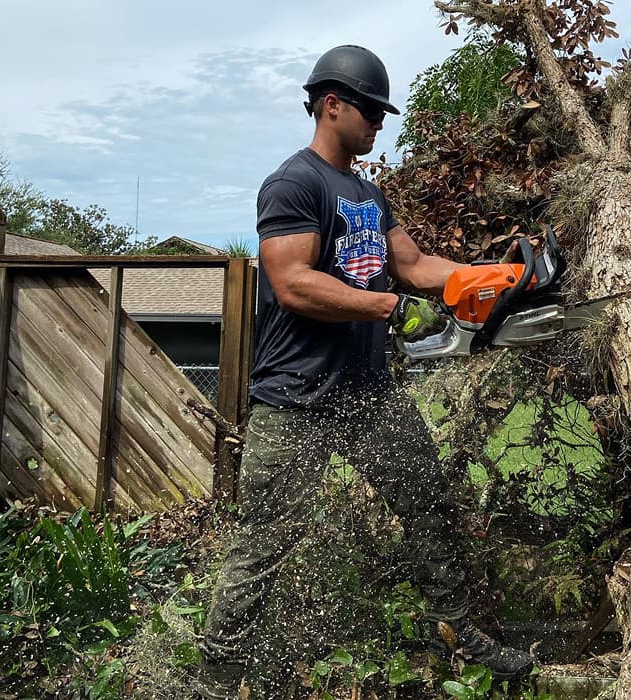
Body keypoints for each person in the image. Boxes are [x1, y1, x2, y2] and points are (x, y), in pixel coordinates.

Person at [197, 44, 533, 699]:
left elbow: (411, 265)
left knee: (428, 503)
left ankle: (461, 635)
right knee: (266, 540)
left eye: (382, 112)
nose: (380, 122)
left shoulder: (369, 196)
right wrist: (389, 307)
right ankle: (215, 676)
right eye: (371, 110)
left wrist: (482, 278)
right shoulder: (294, 184)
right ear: (332, 105)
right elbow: (293, 281)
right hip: (297, 399)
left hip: (368, 395)